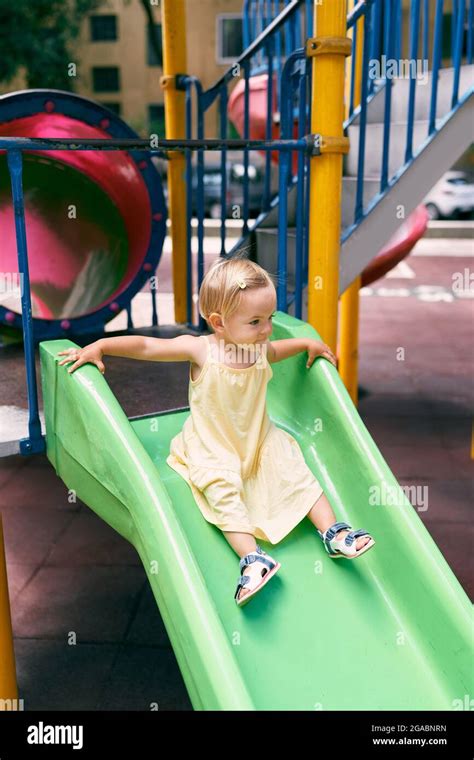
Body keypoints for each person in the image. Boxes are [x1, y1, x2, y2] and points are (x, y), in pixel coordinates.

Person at [57, 257, 375, 608]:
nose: (266, 329)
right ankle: (253, 558)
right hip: (213, 444)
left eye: (269, 318)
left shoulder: (257, 348)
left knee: (295, 470)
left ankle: (333, 532)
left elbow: (278, 350)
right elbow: (150, 347)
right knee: (220, 490)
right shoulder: (201, 350)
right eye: (255, 322)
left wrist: (306, 345)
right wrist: (102, 347)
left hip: (258, 439)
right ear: (219, 323)